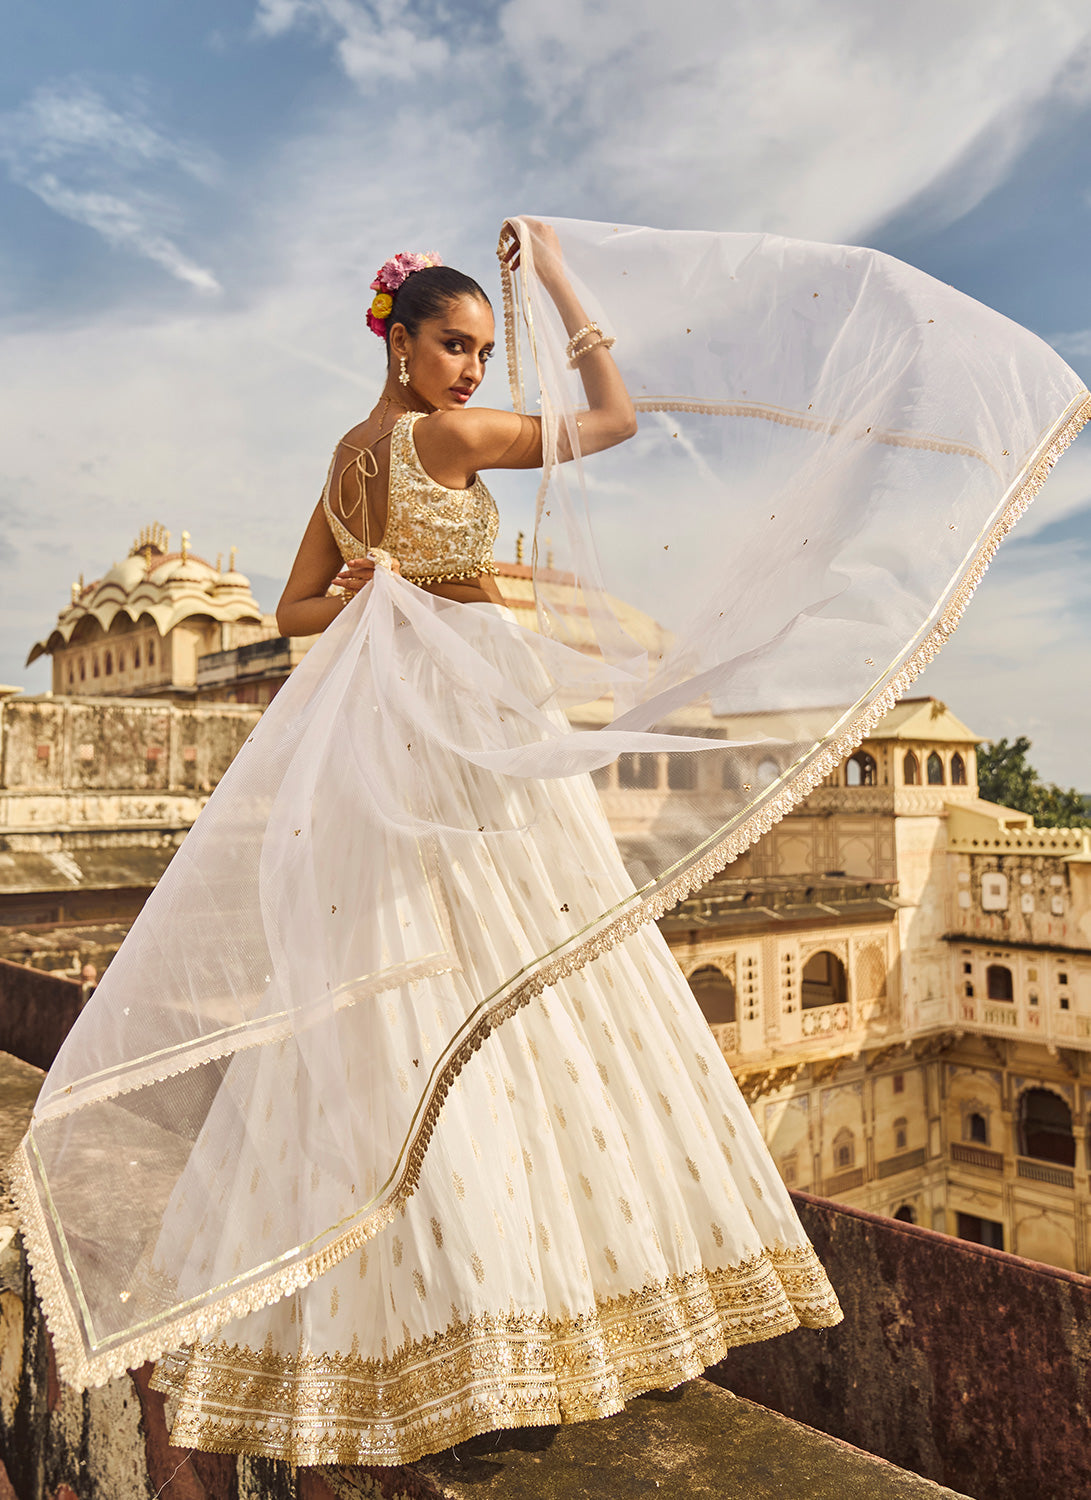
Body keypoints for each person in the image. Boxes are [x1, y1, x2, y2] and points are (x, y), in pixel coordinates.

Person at [14, 216, 1087, 1486]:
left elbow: (300, 608)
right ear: (401, 343)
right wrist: (568, 291)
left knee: (403, 970)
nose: (472, 370)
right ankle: (517, 1313)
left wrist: (368, 595)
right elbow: (613, 423)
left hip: (388, 715)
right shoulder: (444, 439)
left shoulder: (348, 460)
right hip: (465, 700)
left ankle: (425, 1319)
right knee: (522, 963)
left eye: (480, 349)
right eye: (454, 346)